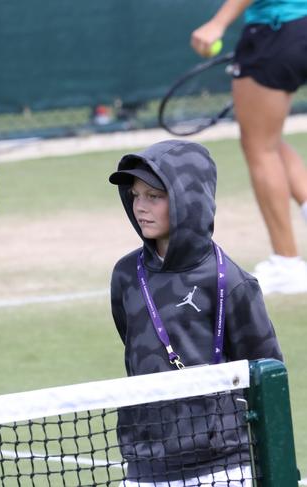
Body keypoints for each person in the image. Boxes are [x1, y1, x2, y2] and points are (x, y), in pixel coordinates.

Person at [108, 140, 283, 485]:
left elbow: (267, 374)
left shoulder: (232, 281)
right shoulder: (126, 275)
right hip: (148, 467)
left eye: (154, 196)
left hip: (225, 466)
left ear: (188, 199)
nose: (140, 206)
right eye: (135, 195)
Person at [191, 0, 307, 295]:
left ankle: (286, 264)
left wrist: (218, 23)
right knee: (266, 138)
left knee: (260, 146)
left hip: (277, 28)